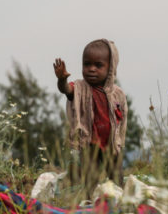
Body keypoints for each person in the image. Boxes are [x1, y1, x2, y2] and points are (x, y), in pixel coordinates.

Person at [53, 39, 128, 198]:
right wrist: (62, 80)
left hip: (110, 144)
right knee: (90, 179)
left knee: (116, 177)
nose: (91, 69)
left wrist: (119, 141)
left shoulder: (117, 94)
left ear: (111, 68)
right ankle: (88, 204)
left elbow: (122, 122)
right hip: (90, 144)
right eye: (87, 64)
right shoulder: (80, 88)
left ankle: (120, 203)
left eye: (98, 65)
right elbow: (66, 90)